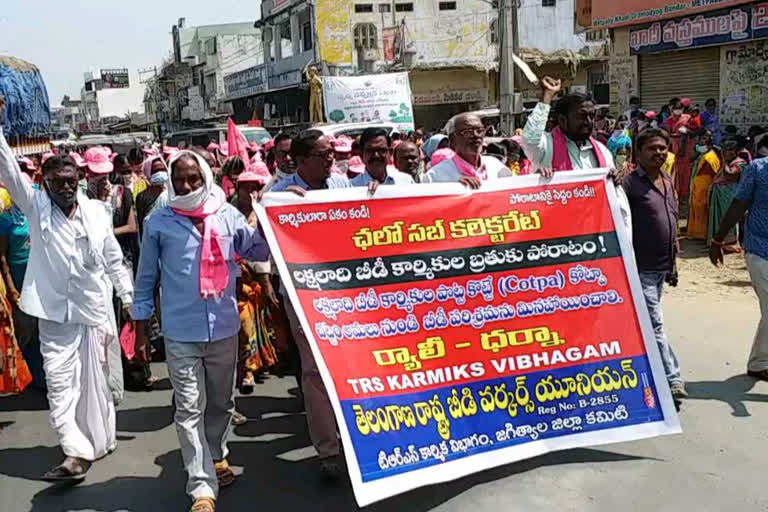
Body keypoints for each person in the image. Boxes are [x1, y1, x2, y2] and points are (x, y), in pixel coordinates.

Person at [0, 95, 134, 481]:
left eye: (72, 181)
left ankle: (96, 439)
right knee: (60, 381)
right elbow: (9, 170)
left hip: (95, 309)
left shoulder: (95, 210)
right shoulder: (36, 206)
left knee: (97, 381)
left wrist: (128, 297)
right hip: (55, 314)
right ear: (45, 183)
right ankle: (74, 452)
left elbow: (111, 257)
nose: (66, 188)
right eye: (58, 182)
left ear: (80, 180)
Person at [132, 150, 269, 512]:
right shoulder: (158, 222)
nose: (187, 185)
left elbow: (255, 247)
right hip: (180, 332)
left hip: (223, 327)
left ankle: (217, 453)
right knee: (189, 409)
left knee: (221, 403)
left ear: (206, 177)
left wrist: (274, 215)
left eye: (193, 178)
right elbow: (145, 280)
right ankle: (202, 488)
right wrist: (142, 331)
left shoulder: (226, 216)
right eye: (179, 180)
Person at [269, 130, 350, 478]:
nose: (331, 159)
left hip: (348, 294)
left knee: (349, 366)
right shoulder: (278, 195)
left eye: (332, 153)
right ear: (302, 161)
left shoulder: (346, 187)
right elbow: (261, 246)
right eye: (323, 155)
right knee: (315, 371)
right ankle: (328, 450)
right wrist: (283, 209)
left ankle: (354, 437)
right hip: (304, 295)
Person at [622, 128, 687, 406]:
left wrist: (673, 265)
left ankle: (642, 370)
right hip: (640, 266)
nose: (659, 153)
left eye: (663, 148)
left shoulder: (666, 179)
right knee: (654, 323)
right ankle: (672, 378)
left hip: (662, 267)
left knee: (646, 323)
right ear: (638, 153)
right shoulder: (627, 184)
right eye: (652, 148)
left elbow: (671, 222)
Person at [710, 153, 768, 382]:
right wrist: (718, 240)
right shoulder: (758, 169)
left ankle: (758, 362)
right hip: (760, 248)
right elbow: (739, 203)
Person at [0, 178, 43, 390]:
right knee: (28, 326)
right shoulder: (5, 218)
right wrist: (11, 287)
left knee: (45, 323)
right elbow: (2, 257)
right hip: (19, 276)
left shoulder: (37, 212)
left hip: (42, 274)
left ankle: (47, 373)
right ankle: (35, 374)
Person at [423, 113, 512, 188]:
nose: (476, 135)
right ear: (453, 140)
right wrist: (454, 188)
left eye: (479, 130)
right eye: (467, 132)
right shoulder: (434, 177)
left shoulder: (497, 167)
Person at [709, 139, 746, 252]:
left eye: (730, 150)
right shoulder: (728, 162)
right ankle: (718, 241)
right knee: (719, 218)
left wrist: (724, 160)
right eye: (725, 150)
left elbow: (729, 174)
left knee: (728, 217)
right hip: (720, 195)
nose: (727, 152)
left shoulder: (740, 163)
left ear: (736, 151)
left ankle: (730, 243)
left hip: (729, 195)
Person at [351, 127, 414, 194]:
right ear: (361, 155)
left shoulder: (406, 181)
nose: (376, 155)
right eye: (370, 151)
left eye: (381, 150)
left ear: (390, 153)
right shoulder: (352, 187)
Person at [664, 99, 698, 210]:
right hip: (675, 151)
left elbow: (695, 132)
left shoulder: (688, 118)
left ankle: (685, 205)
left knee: (687, 178)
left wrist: (687, 132)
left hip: (688, 151)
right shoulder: (669, 120)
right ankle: (677, 204)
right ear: (672, 109)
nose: (678, 110)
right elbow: (668, 134)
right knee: (676, 177)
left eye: (680, 108)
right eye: (675, 108)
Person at [688, 130, 721, 240]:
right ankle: (696, 232)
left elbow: (714, 172)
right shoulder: (702, 154)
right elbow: (690, 159)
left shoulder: (710, 156)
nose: (701, 143)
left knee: (702, 208)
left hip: (705, 185)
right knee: (696, 208)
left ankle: (702, 233)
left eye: (704, 140)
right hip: (698, 184)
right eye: (701, 139)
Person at [135, 155, 169, 236]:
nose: (160, 173)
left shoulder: (172, 192)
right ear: (148, 172)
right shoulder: (142, 197)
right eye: (155, 171)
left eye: (162, 169)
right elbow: (141, 226)